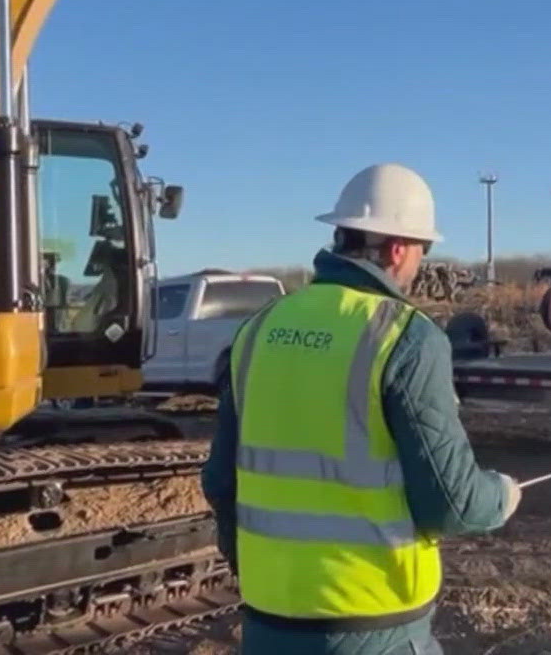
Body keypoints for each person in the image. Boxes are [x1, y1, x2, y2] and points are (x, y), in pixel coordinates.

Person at [202, 163, 521, 654]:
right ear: (398, 249)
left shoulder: (260, 329)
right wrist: (501, 496)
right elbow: (452, 504)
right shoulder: (406, 337)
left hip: (267, 624)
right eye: (423, 250)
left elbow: (221, 482)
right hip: (373, 626)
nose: (420, 265)